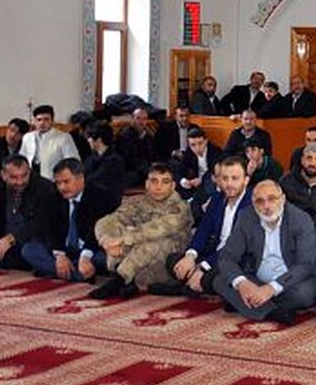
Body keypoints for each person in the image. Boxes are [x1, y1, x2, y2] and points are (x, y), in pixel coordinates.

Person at [213, 180, 316, 325]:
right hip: (257, 279)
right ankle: (271, 312)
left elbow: (306, 264)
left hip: (291, 281)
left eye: (272, 199)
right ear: (253, 204)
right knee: (220, 280)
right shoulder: (246, 216)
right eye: (260, 201)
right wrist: (243, 284)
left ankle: (245, 302)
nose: (266, 206)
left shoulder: (301, 219)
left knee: (303, 296)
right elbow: (227, 257)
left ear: (283, 199)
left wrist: (271, 289)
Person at [88, 162, 192, 298]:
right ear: (146, 184)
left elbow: (156, 229)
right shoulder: (138, 202)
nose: (159, 187)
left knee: (152, 241)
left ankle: (119, 279)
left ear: (173, 186)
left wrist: (123, 239)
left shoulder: (180, 207)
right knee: (113, 227)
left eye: (165, 182)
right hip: (139, 260)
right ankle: (127, 280)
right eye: (154, 181)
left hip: (168, 262)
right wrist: (106, 240)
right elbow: (110, 220)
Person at [158, 156, 251, 297]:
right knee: (174, 260)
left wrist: (203, 266)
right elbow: (204, 229)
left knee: (213, 278)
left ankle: (190, 284)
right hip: (214, 253)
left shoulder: (252, 205)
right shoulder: (217, 198)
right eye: (225, 178)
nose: (229, 184)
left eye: (235, 178)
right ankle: (193, 283)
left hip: (238, 259)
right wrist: (190, 256)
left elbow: (235, 247)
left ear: (246, 180)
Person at [21, 159, 114, 282]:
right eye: (58, 183)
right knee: (29, 250)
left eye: (66, 182)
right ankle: (76, 274)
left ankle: (55, 271)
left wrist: (85, 257)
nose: (62, 187)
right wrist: (60, 255)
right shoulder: (51, 197)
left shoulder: (101, 196)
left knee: (108, 257)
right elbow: (50, 230)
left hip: (90, 249)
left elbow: (98, 231)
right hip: (64, 249)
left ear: (80, 178)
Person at [0, 155, 53, 272]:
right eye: (14, 177)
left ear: (29, 172)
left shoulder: (44, 187)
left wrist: (12, 238)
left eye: (24, 176)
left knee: (29, 251)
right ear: (4, 175)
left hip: (30, 238)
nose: (20, 182)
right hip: (3, 236)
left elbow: (41, 223)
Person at [20, 105, 80, 179]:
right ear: (34, 121)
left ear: (52, 121)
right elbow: (22, 159)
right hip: (31, 178)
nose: (42, 123)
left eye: (46, 119)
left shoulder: (64, 137)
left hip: (54, 179)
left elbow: (72, 162)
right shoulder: (27, 137)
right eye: (39, 120)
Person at [175, 127, 223, 218]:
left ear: (206, 141)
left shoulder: (215, 151)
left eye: (200, 143)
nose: (197, 148)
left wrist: (201, 179)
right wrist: (183, 181)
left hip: (210, 181)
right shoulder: (189, 152)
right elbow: (180, 169)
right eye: (193, 145)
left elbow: (214, 172)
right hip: (194, 183)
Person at [81, 121, 125, 204]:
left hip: (107, 201)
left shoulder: (114, 161)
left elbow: (95, 181)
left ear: (99, 140)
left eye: (89, 138)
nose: (88, 141)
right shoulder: (92, 156)